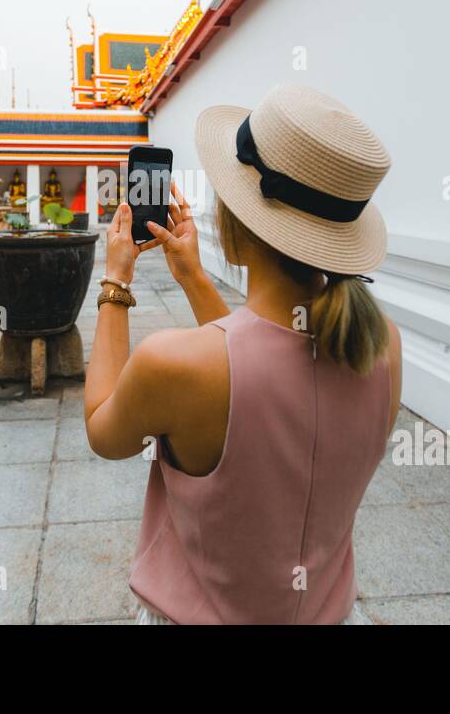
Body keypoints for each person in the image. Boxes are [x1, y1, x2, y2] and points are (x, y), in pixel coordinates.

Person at [84, 84, 402, 624]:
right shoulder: (382, 346)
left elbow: (103, 429)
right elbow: (258, 367)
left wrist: (115, 284)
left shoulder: (177, 364)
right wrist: (191, 277)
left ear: (239, 224)